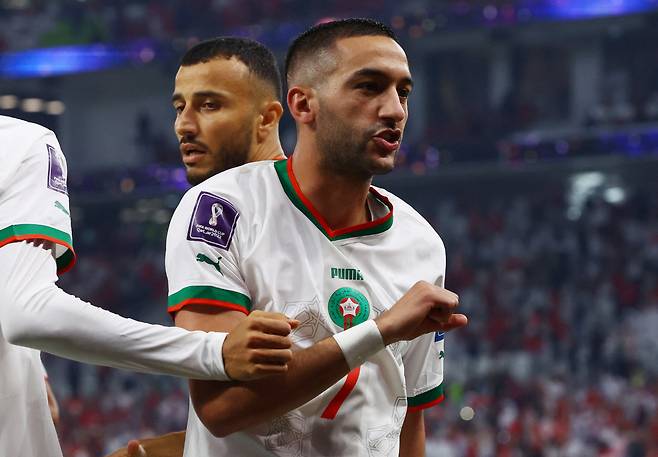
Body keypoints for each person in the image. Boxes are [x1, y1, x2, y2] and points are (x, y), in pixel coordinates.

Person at [167, 19, 467, 457]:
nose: (394, 110)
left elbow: (408, 422)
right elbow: (221, 406)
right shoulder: (221, 208)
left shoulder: (421, 242)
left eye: (402, 92)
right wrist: (380, 331)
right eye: (368, 87)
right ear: (303, 104)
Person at [0, 115, 296, 456]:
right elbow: (28, 313)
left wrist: (30, 365)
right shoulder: (20, 141)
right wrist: (212, 351)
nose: (184, 123)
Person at [106, 36, 289, 457]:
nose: (184, 125)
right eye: (179, 107)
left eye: (209, 105)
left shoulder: (212, 205)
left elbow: (224, 409)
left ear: (268, 117)